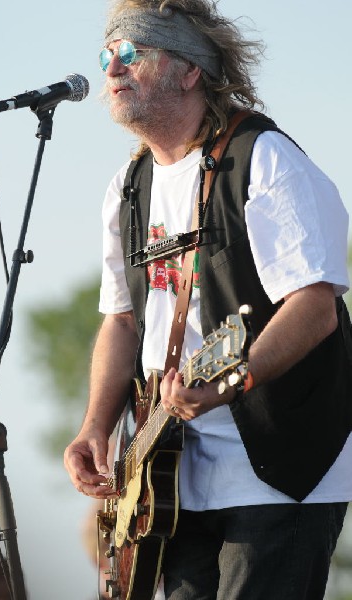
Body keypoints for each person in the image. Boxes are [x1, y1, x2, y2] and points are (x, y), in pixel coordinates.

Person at [64, 1, 352, 598]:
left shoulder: (264, 159)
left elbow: (315, 303)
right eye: (106, 55)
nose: (111, 69)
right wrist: (96, 426)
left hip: (279, 472)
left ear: (189, 70)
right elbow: (121, 320)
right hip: (169, 482)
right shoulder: (128, 189)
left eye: (131, 53)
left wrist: (235, 380)